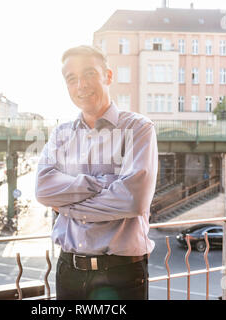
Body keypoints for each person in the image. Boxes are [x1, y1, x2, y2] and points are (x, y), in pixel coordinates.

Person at [35, 45, 158, 300]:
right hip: (68, 271)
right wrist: (103, 184)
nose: (81, 84)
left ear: (108, 76)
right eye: (71, 79)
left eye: (89, 73)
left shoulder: (138, 128)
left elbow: (133, 201)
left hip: (121, 274)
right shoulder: (61, 134)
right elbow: (43, 189)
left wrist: (67, 206)